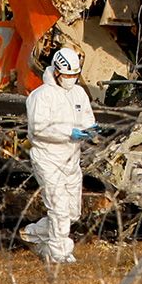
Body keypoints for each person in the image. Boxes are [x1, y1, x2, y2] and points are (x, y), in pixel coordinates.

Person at [23, 46, 96, 263]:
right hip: (47, 158)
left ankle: (33, 234)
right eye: (67, 75)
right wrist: (68, 132)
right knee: (59, 209)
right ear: (56, 72)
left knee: (72, 212)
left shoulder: (79, 93)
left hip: (71, 159)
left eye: (74, 75)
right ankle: (58, 254)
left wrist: (90, 129)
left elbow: (86, 117)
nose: (71, 79)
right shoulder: (41, 96)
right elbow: (38, 129)